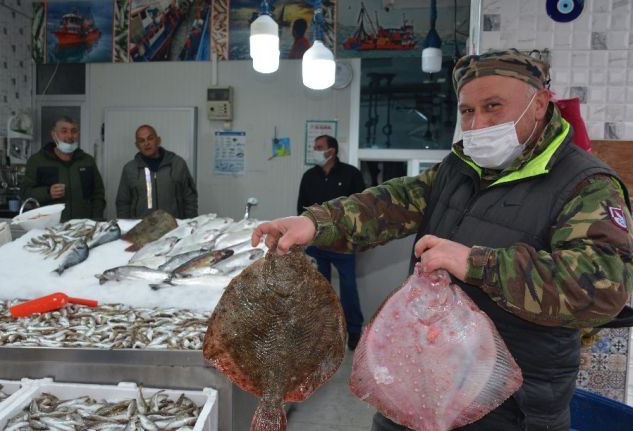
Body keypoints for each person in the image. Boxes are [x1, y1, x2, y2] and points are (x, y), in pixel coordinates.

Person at [252, 49, 633, 431]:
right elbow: (392, 201)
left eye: (493, 106)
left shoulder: (584, 185)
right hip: (416, 382)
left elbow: (602, 289)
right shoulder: (460, 166)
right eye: (467, 111)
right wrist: (315, 223)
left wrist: (477, 264)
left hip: (508, 409)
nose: (478, 124)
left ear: (539, 104)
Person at [298, 135, 366, 350]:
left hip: (343, 244)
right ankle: (321, 331)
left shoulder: (351, 174)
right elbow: (302, 210)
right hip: (317, 243)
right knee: (318, 289)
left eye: (319, 147)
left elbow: (361, 207)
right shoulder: (309, 176)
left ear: (332, 151)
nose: (315, 151)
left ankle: (354, 330)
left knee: (348, 287)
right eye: (315, 147)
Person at [21, 116, 105, 221]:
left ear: (78, 134)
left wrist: (95, 220)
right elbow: (25, 193)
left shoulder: (88, 161)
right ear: (54, 134)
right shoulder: (37, 161)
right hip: (48, 228)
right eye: (64, 131)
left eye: (73, 131)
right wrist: (48, 192)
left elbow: (98, 195)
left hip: (83, 227)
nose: (70, 135)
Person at [115, 124, 198, 219]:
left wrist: (190, 223)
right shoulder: (130, 169)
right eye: (142, 141)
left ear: (158, 140)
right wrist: (125, 228)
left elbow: (190, 198)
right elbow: (123, 202)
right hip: (140, 229)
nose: (146, 143)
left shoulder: (177, 164)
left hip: (175, 227)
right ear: (137, 145)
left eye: (150, 138)